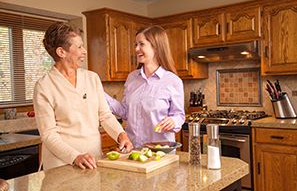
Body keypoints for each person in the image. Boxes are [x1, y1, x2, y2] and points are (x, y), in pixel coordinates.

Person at [33, 22, 133, 170]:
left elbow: (105, 115)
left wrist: (121, 135)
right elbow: (48, 135)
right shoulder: (44, 86)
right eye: (79, 47)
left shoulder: (92, 78)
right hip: (61, 165)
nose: (84, 51)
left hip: (93, 160)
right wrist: (75, 156)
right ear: (61, 52)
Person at [105, 25, 185, 148]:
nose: (137, 49)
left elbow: (179, 116)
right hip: (133, 149)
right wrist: (100, 94)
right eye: (135, 44)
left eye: (141, 44)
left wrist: (173, 121)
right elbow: (126, 112)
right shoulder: (132, 78)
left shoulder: (172, 81)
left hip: (160, 151)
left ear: (156, 47)